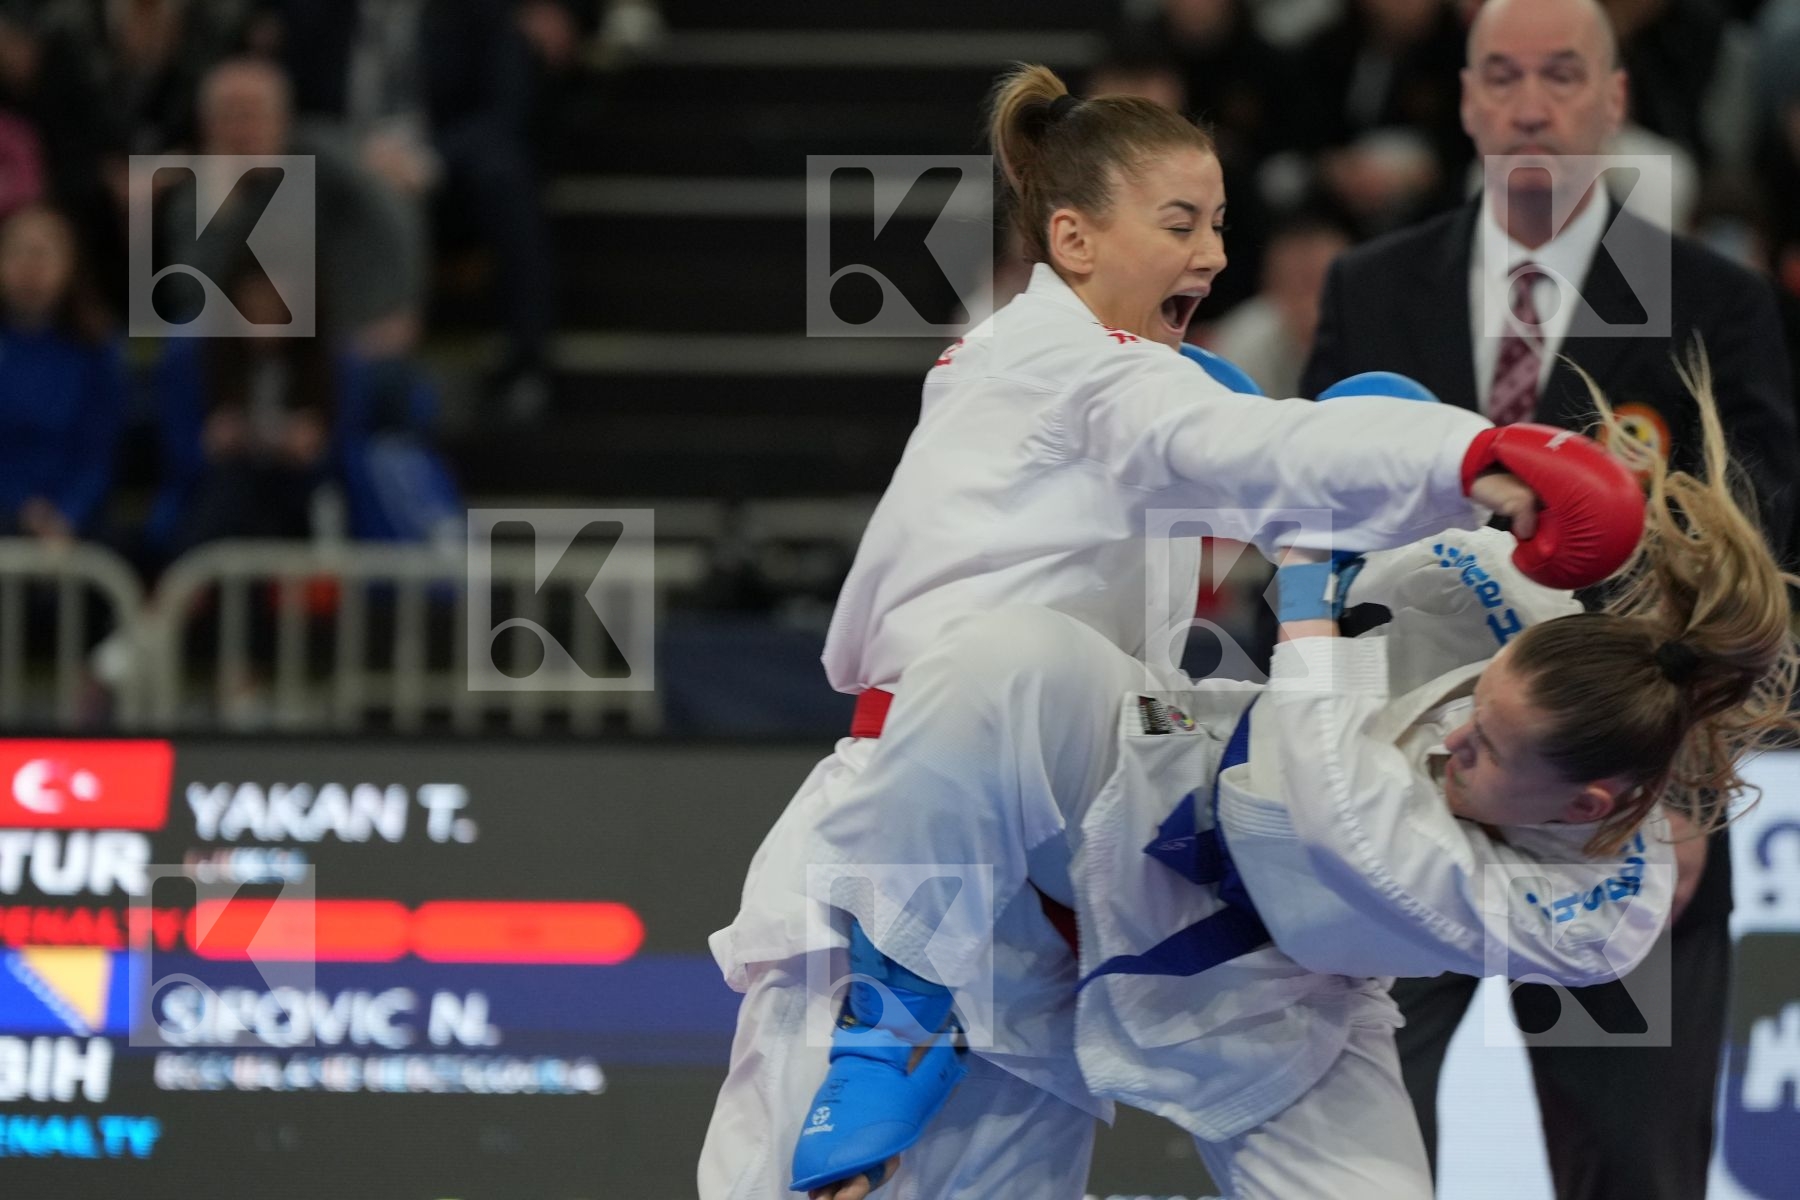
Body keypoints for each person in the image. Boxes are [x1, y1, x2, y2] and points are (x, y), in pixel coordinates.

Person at [699, 62, 1645, 1200]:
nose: (1210, 254)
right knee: (1000, 663)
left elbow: (1282, 477)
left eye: (1220, 224)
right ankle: (892, 1014)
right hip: (917, 835)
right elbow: (1262, 457)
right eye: (1179, 223)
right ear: (1075, 238)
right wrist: (1480, 460)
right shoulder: (1060, 368)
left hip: (1059, 888)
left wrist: (1451, 495)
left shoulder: (1144, 389)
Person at [747, 363, 1794, 1200]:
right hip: (1159, 792)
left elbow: (1334, 821)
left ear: (1587, 806)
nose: (1456, 737)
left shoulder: (1598, 913)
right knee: (992, 663)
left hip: (1285, 1002)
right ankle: (899, 1020)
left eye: (1487, 752)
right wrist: (1382, 458)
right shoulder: (1526, 614)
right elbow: (1388, 462)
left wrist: (1307, 593)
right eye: (1477, 704)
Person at [1298, 0, 1800, 1193]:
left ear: (1614, 101)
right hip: (1411, 771)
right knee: (1355, 1146)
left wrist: (1679, 779)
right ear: (1465, 99)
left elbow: (1759, 534)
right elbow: (1308, 504)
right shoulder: (1378, 285)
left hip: (1613, 792)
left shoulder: (1705, 297)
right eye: (1504, 74)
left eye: (1563, 74)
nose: (1532, 103)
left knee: (1627, 1160)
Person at [0, 203, 126, 543]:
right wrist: (20, 505)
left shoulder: (96, 348)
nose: (30, 267)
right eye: (18, 252)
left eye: (42, 254)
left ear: (70, 266)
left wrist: (67, 513)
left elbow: (98, 452)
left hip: (76, 520)